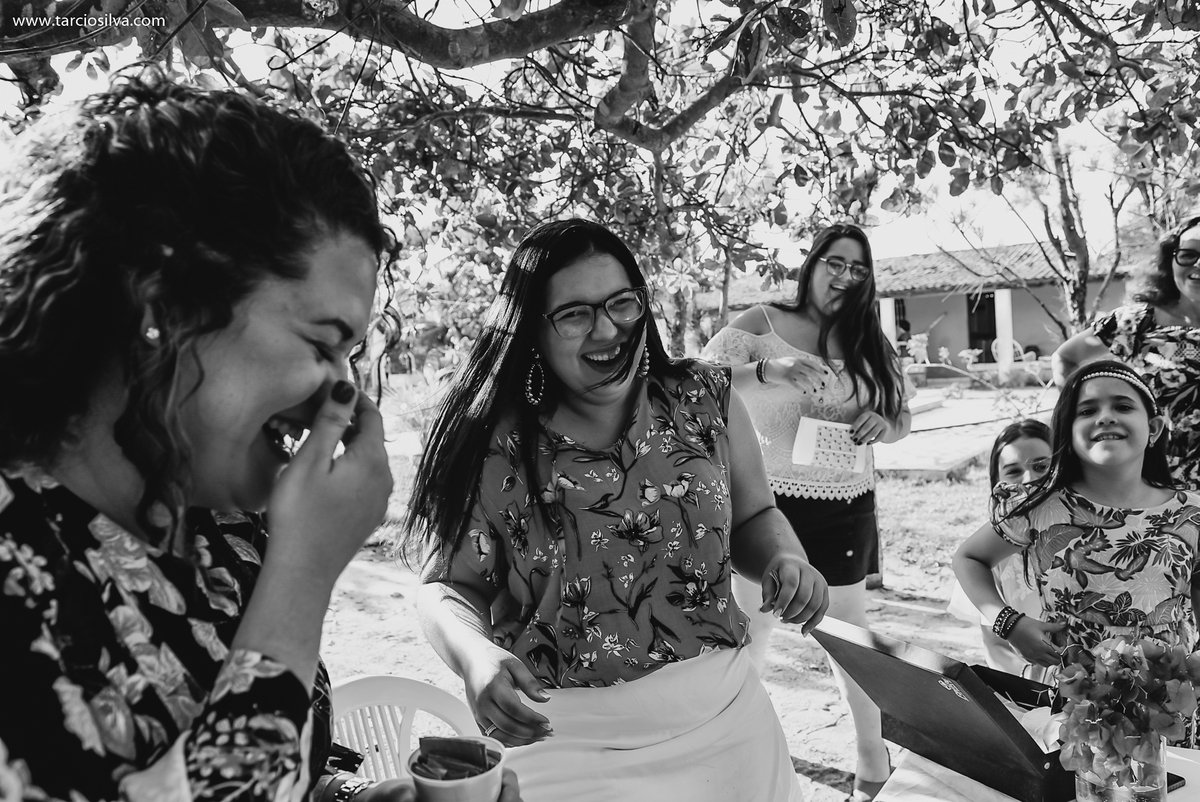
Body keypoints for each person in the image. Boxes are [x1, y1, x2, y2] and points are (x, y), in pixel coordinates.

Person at [0, 72, 522, 802]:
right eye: (323, 343)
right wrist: (304, 574)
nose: (344, 393)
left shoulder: (228, 537)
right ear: (165, 310)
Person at [404, 219, 829, 802]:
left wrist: (785, 557)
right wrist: (477, 657)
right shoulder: (490, 442)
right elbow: (446, 589)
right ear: (532, 329)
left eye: (622, 304)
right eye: (574, 314)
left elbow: (755, 516)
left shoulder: (703, 399)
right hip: (560, 744)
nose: (608, 329)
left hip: (730, 729)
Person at [700, 222, 912, 802]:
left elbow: (901, 419)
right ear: (813, 263)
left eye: (859, 269)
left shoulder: (871, 341)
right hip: (762, 507)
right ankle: (734, 764)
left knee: (848, 640)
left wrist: (883, 425)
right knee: (751, 637)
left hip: (845, 507)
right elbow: (695, 383)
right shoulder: (761, 325)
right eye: (835, 263)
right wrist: (773, 371)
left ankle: (873, 761)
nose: (845, 276)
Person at [953, 361, 1200, 679]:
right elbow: (968, 557)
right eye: (1086, 411)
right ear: (1067, 433)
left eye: (1123, 406)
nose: (1106, 416)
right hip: (1076, 712)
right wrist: (1008, 623)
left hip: (1170, 708)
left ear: (1153, 428)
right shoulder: (1039, 507)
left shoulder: (1190, 515)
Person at [1053, 216, 1200, 489]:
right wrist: (1083, 416)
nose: (1198, 265)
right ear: (1171, 260)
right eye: (1189, 255)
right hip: (1159, 489)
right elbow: (1065, 358)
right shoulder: (1135, 324)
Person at [946, 420, 1052, 676]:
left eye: (1042, 466)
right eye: (1014, 471)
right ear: (996, 481)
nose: (1030, 479)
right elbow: (995, 644)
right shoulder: (986, 555)